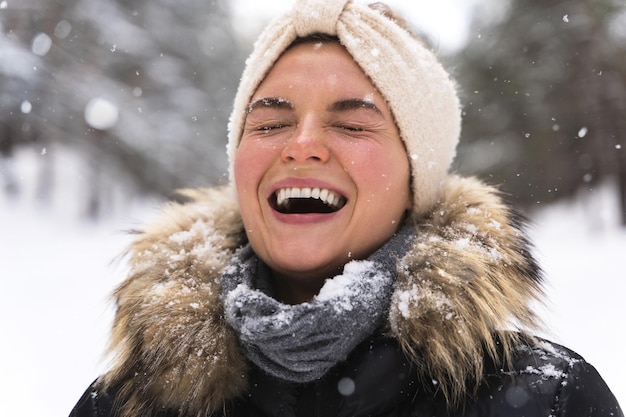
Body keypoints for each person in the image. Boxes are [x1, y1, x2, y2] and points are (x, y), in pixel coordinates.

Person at [69, 1, 623, 416]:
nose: (301, 143)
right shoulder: (125, 404)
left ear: (417, 182)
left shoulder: (549, 399)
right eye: (270, 123)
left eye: (353, 123)